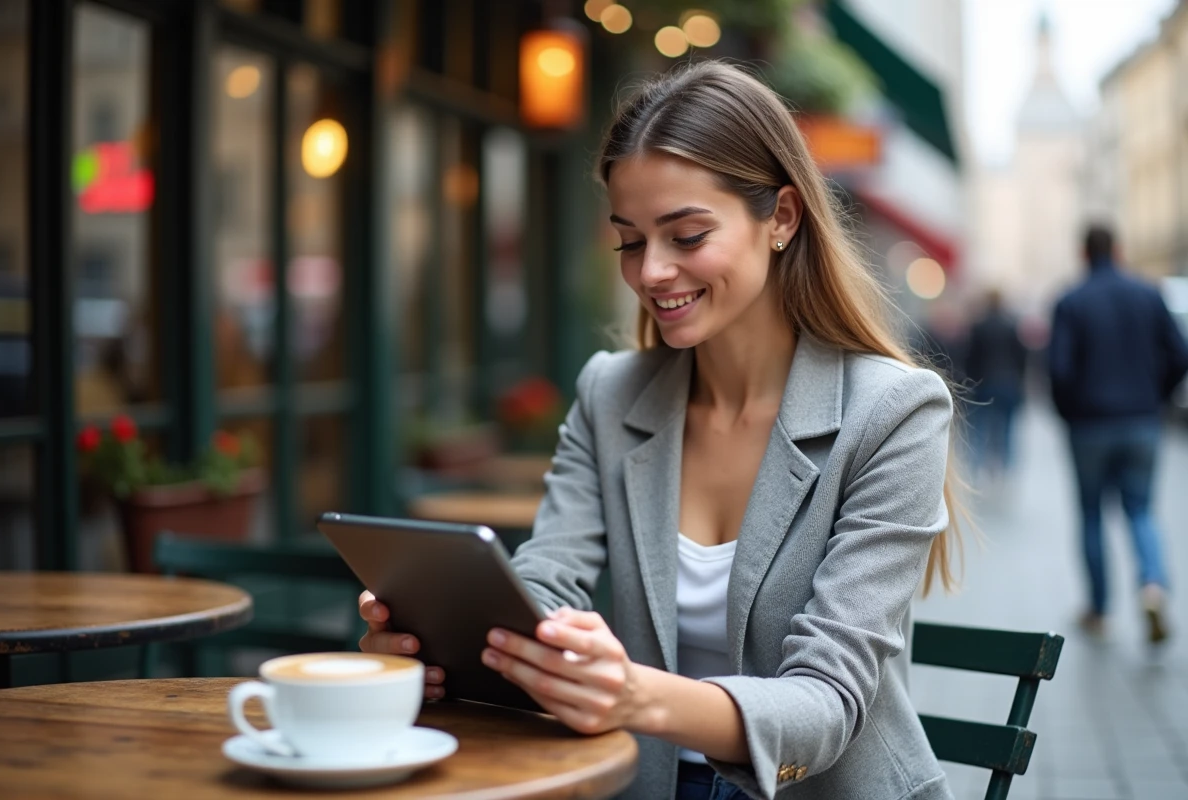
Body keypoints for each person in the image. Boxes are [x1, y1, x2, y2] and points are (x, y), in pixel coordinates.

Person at [359, 62, 959, 800]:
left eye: (686, 234)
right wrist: (454, 646)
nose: (651, 271)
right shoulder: (610, 394)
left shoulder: (893, 412)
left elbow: (827, 705)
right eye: (630, 242)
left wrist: (635, 696)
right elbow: (548, 581)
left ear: (782, 218)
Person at [1049, 224, 1188, 644]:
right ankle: (1152, 585)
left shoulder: (1071, 301)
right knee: (1141, 510)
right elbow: (1181, 355)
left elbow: (1058, 369)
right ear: (1120, 249)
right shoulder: (1149, 295)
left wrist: (1070, 413)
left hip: (1089, 426)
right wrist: (1155, 397)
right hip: (1142, 422)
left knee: (1091, 515)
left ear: (1083, 253)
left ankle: (1098, 608)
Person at [963, 289, 1028, 477]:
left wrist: (971, 381)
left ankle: (978, 468)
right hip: (1009, 383)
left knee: (981, 428)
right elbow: (1022, 356)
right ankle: (1006, 469)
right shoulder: (1012, 325)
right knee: (1007, 429)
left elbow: (971, 357)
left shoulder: (979, 326)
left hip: (984, 383)